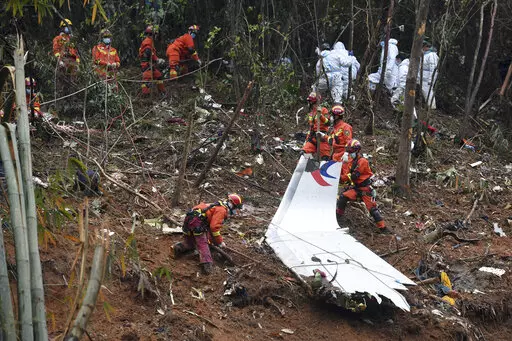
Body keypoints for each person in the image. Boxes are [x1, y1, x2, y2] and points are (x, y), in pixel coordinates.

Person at [172, 194, 243, 274]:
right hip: (197, 221)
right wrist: (220, 242)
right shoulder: (222, 210)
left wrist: (212, 240)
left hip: (190, 218)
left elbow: (209, 228)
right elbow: (214, 228)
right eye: (236, 207)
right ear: (231, 204)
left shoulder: (216, 205)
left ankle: (178, 248)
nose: (236, 210)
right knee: (203, 244)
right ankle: (207, 267)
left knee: (191, 242)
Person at [336, 139, 388, 232]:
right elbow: (346, 175)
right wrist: (342, 165)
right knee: (342, 197)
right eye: (348, 150)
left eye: (351, 151)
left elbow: (354, 176)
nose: (349, 153)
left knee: (373, 210)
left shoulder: (362, 161)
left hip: (365, 190)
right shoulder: (352, 160)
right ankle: (338, 218)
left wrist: (345, 176)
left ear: (357, 150)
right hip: (356, 188)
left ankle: (383, 228)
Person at [302, 92, 331, 160]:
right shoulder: (311, 113)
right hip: (313, 137)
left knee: (325, 159)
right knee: (304, 152)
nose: (309, 103)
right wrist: (306, 140)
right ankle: (309, 169)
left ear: (313, 102)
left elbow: (328, 123)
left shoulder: (323, 110)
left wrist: (320, 116)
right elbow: (310, 128)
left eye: (310, 101)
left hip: (322, 137)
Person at [139, 25, 165, 95]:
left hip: (150, 64)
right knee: (147, 80)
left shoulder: (150, 41)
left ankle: (162, 92)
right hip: (146, 65)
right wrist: (157, 60)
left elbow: (151, 53)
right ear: (153, 34)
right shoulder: (148, 41)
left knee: (158, 76)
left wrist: (157, 59)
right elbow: (148, 52)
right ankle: (145, 96)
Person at [419, 41, 439, 109]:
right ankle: (428, 106)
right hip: (424, 77)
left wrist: (431, 79)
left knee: (428, 92)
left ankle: (431, 107)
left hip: (428, 78)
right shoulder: (425, 55)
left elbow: (433, 68)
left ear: (425, 47)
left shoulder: (432, 55)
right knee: (425, 92)